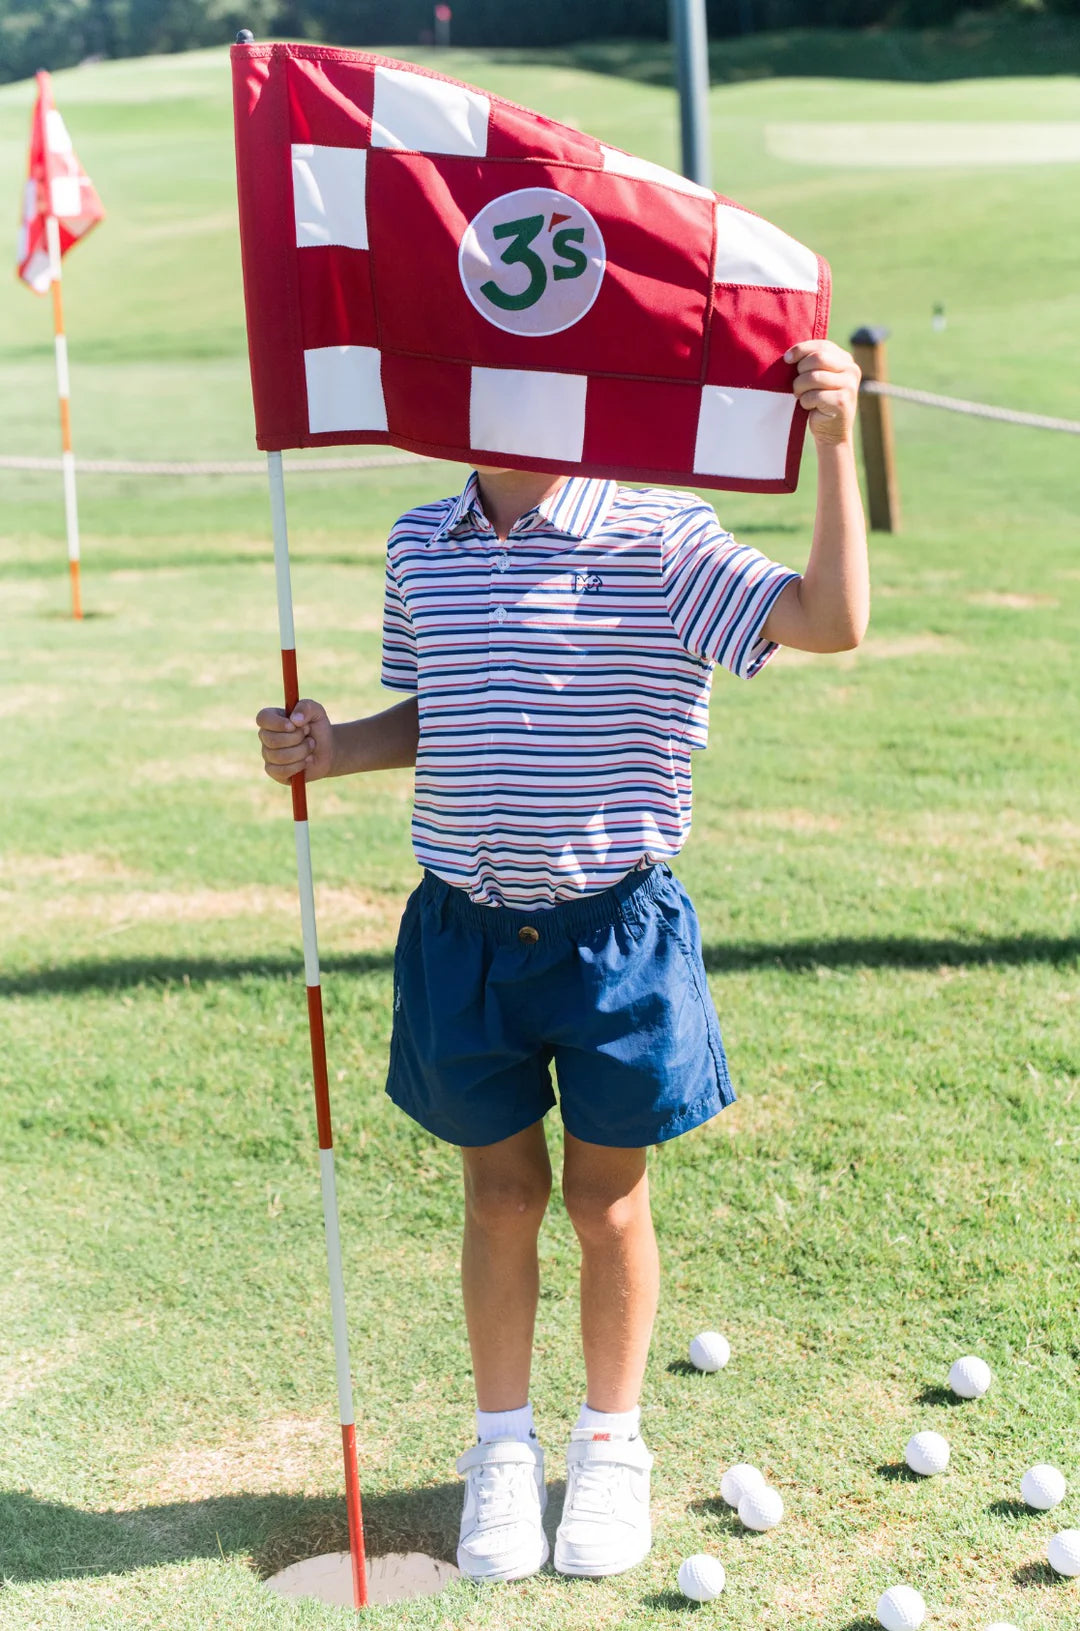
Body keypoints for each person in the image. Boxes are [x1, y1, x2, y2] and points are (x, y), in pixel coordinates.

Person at [255, 339, 868, 1583]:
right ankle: (500, 1448)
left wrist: (837, 443)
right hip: (465, 934)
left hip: (613, 938)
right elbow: (440, 709)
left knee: (606, 1202)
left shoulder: (659, 536)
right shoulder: (421, 542)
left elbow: (830, 619)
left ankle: (610, 1441)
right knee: (499, 1198)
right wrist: (333, 745)